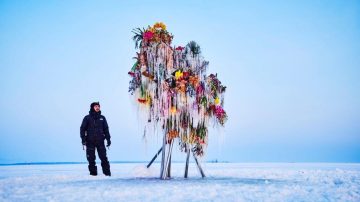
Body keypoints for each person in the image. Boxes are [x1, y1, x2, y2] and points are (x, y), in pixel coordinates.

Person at [80, 102, 111, 176]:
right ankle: (93, 175)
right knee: (91, 159)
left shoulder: (102, 118)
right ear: (92, 107)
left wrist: (108, 139)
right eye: (96, 106)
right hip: (90, 141)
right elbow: (82, 129)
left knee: (104, 158)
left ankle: (107, 174)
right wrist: (83, 139)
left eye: (98, 106)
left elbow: (106, 129)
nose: (97, 107)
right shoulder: (87, 118)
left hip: (100, 141)